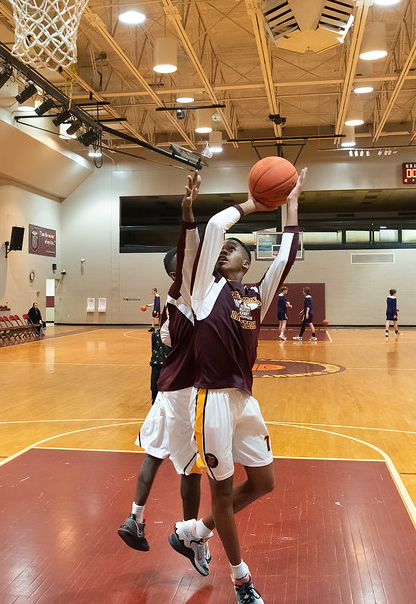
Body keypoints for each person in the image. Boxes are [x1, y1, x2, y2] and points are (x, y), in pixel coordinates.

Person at [171, 167, 305, 604]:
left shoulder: (254, 295)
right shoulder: (202, 290)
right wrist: (253, 203)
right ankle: (241, 579)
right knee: (224, 491)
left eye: (232, 249)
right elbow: (212, 226)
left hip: (245, 400)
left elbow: (284, 258)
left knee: (264, 482)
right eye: (221, 249)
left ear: (246, 263)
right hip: (210, 398)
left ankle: (198, 530)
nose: (223, 250)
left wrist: (292, 206)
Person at [119, 173, 205, 567]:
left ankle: (134, 517)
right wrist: (187, 215)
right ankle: (189, 534)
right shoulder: (185, 292)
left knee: (154, 452)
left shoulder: (174, 304)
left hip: (167, 386)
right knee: (193, 466)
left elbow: (169, 342)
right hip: (186, 390)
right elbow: (188, 253)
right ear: (180, 271)